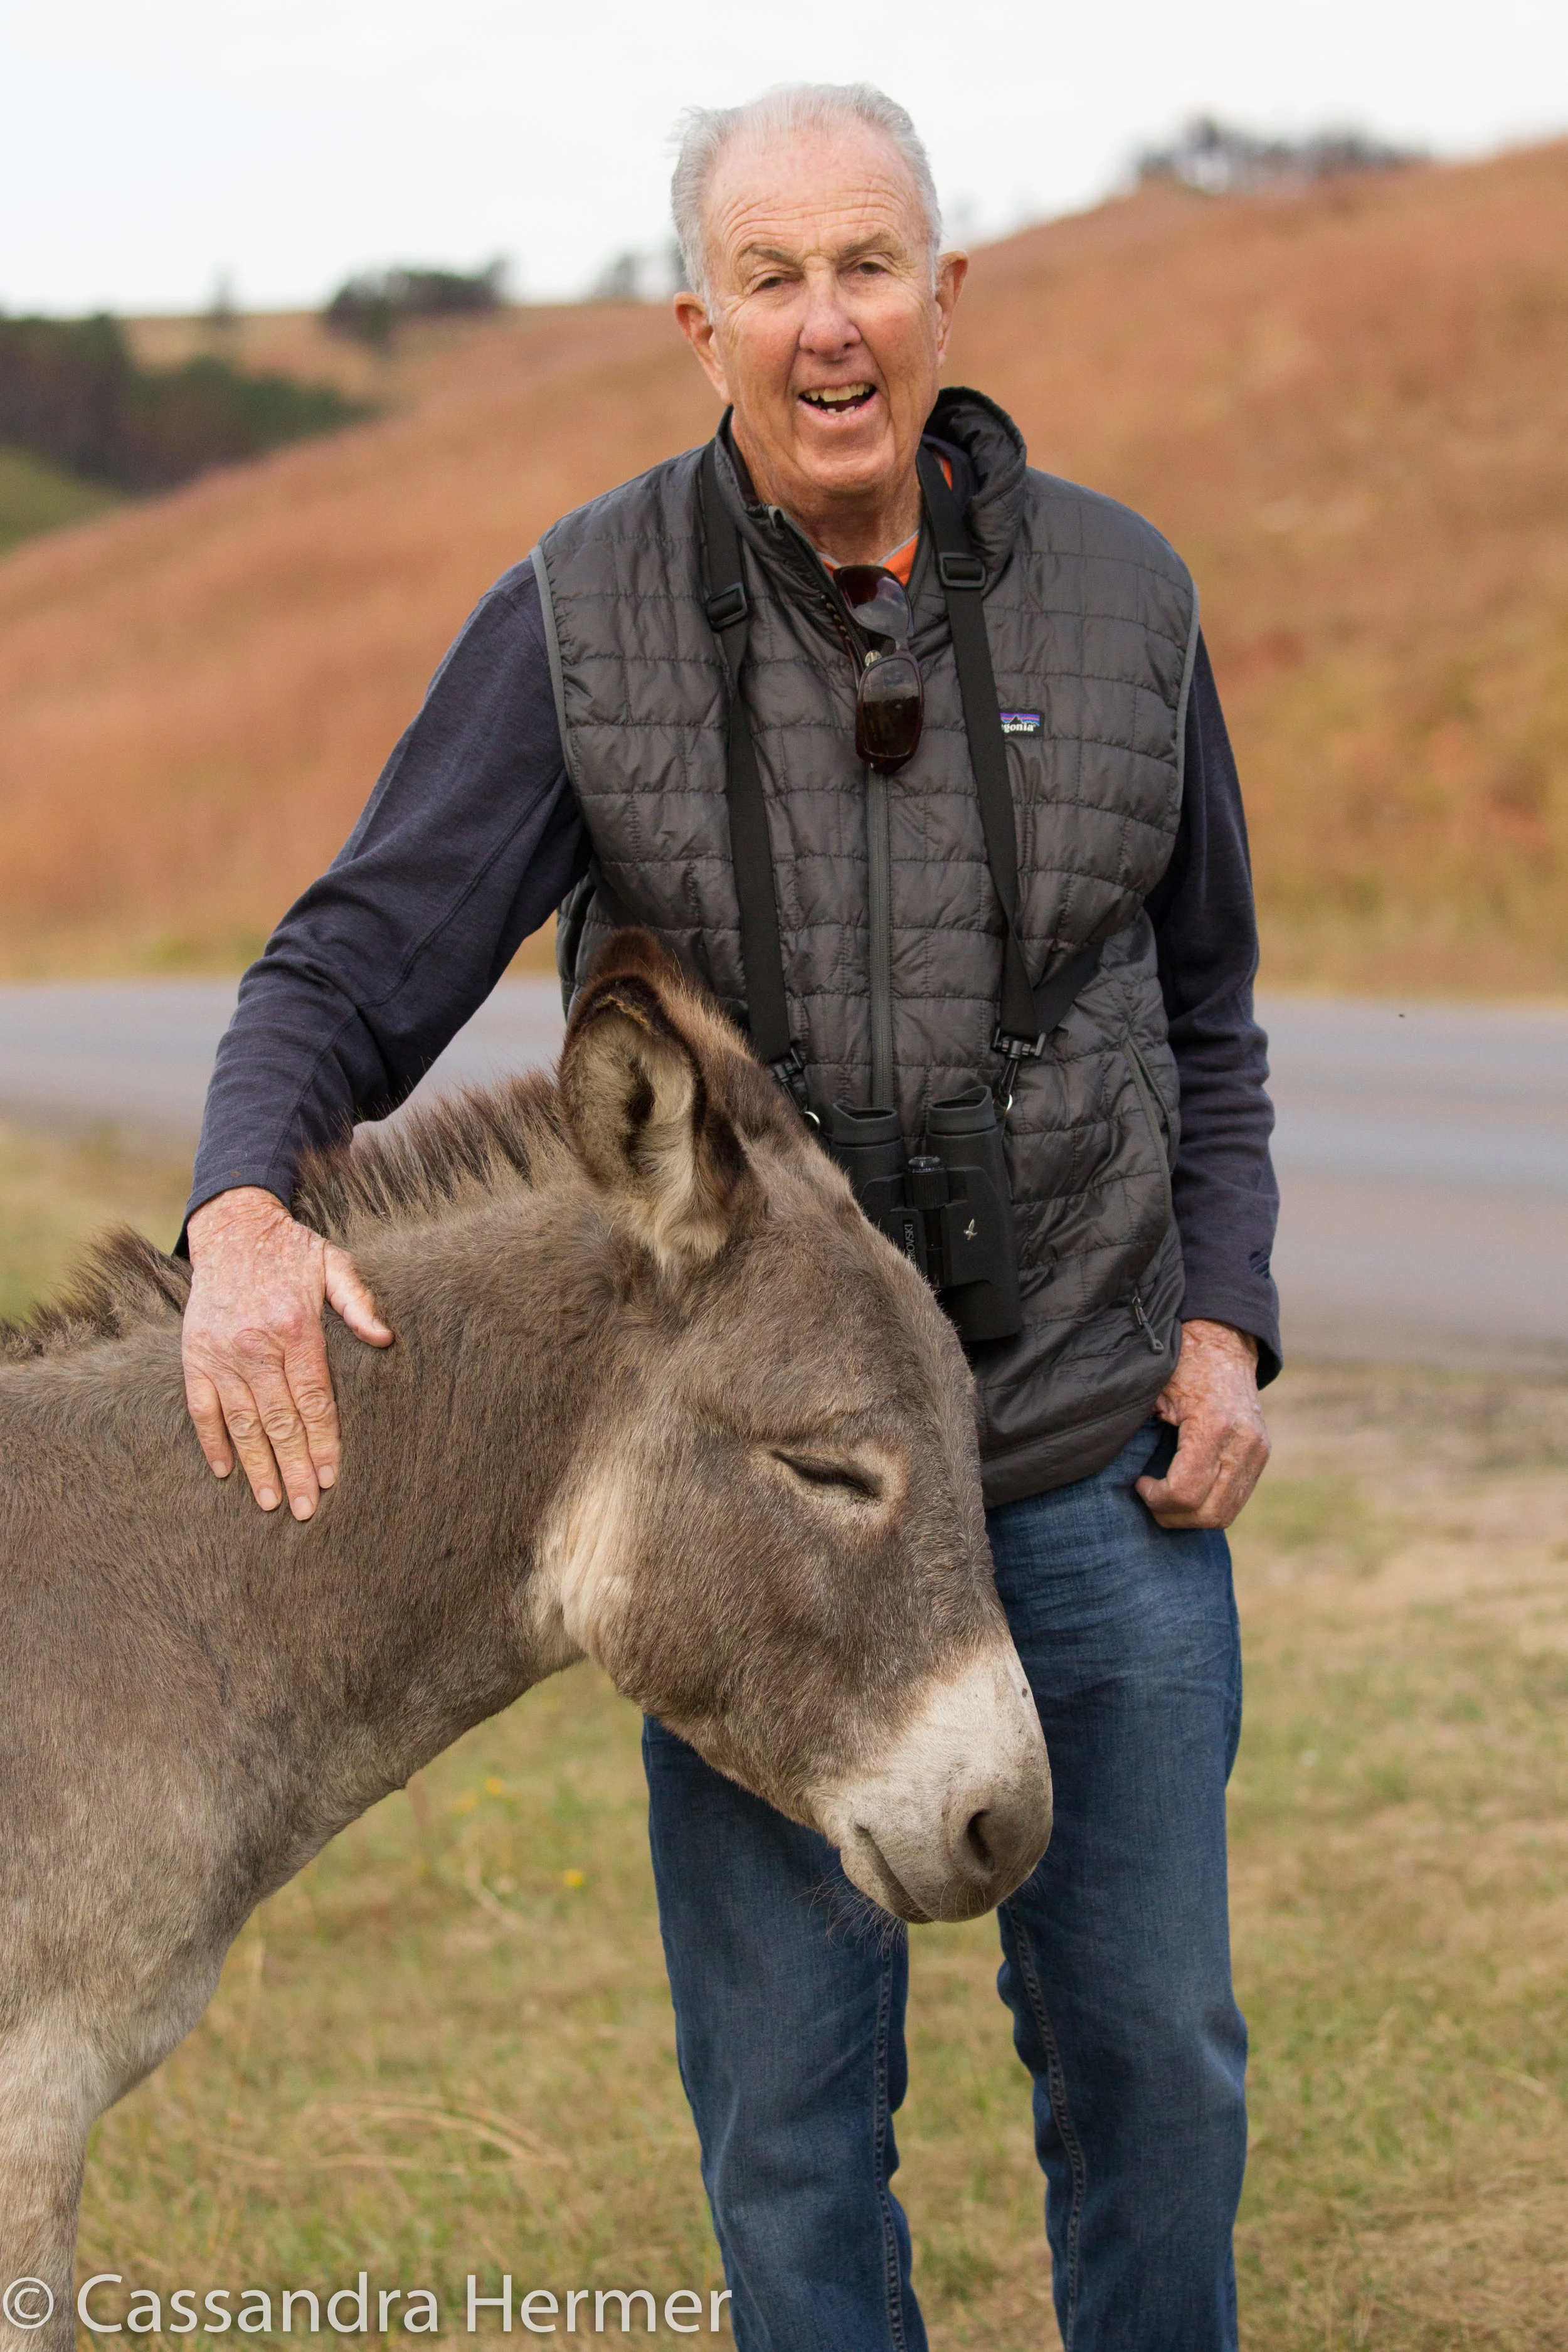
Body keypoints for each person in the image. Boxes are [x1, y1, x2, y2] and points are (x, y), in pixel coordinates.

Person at [181, 82, 1278, 2352]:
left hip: (1084, 1462)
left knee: (1154, 2068)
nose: (826, 326)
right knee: (788, 2126)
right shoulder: (577, 615)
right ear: (700, 323)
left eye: (865, 266)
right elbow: (349, 966)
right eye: (770, 280)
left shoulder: (1132, 591)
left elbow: (1207, 1014)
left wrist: (1231, 1319)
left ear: (944, 293)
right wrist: (240, 1207)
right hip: (756, 1503)